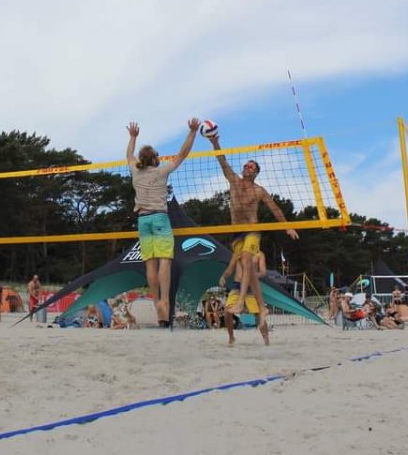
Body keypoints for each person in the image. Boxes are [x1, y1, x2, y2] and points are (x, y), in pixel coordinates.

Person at [210, 133, 299, 333]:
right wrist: (215, 143)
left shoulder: (259, 190)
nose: (246, 168)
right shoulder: (233, 180)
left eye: (251, 166)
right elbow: (222, 162)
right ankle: (261, 307)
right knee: (242, 266)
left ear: (256, 172)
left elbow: (274, 208)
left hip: (252, 230)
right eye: (246, 165)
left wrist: (287, 226)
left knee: (248, 259)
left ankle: (241, 302)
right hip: (235, 231)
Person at [126, 119, 199, 328]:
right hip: (159, 218)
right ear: (155, 159)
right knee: (165, 259)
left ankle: (156, 298)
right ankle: (165, 301)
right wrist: (192, 132)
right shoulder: (161, 171)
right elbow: (182, 155)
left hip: (142, 220)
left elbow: (129, 156)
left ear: (141, 159)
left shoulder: (135, 171)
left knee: (150, 262)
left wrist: (132, 137)